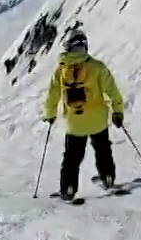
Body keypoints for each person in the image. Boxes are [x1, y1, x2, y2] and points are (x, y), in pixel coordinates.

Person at [41, 27, 126, 201]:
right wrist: (117, 111)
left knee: (72, 158)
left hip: (75, 123)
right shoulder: (97, 67)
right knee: (103, 150)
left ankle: (68, 189)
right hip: (98, 121)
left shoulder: (60, 70)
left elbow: (52, 95)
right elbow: (112, 90)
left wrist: (50, 114)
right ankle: (108, 178)